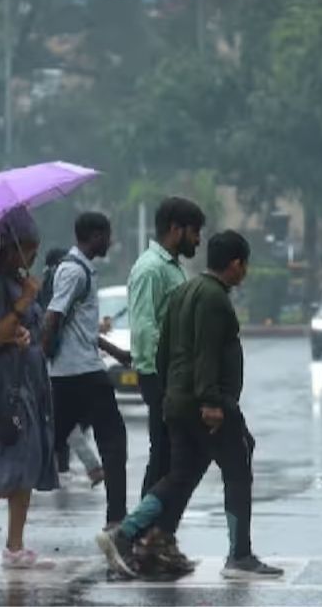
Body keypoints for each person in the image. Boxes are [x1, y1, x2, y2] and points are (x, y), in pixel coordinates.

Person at [98, 231, 283, 581]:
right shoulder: (215, 299)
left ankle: (125, 533)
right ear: (236, 264)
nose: (244, 273)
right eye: (244, 266)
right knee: (238, 468)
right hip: (208, 405)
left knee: (180, 476)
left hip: (177, 402)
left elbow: (164, 350)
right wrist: (212, 402)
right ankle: (240, 555)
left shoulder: (183, 292)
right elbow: (207, 352)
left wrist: (170, 393)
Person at [0, 208, 60, 569]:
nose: (32, 253)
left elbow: (23, 330)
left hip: (31, 379)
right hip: (7, 383)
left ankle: (15, 546)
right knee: (11, 454)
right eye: (27, 247)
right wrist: (22, 303)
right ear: (10, 247)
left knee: (30, 458)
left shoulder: (21, 280)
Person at [43, 212, 131, 529]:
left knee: (48, 443)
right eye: (108, 235)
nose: (111, 241)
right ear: (94, 236)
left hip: (71, 373)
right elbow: (53, 317)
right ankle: (116, 521)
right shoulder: (73, 271)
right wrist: (42, 360)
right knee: (113, 441)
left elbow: (78, 328)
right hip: (81, 374)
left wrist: (117, 353)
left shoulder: (80, 270)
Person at [128, 197, 204, 496]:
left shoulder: (170, 267)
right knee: (163, 452)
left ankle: (150, 530)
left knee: (170, 454)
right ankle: (138, 531)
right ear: (176, 229)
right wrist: (156, 377)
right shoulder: (150, 269)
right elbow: (145, 326)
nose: (198, 240)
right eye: (194, 232)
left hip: (172, 373)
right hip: (160, 375)